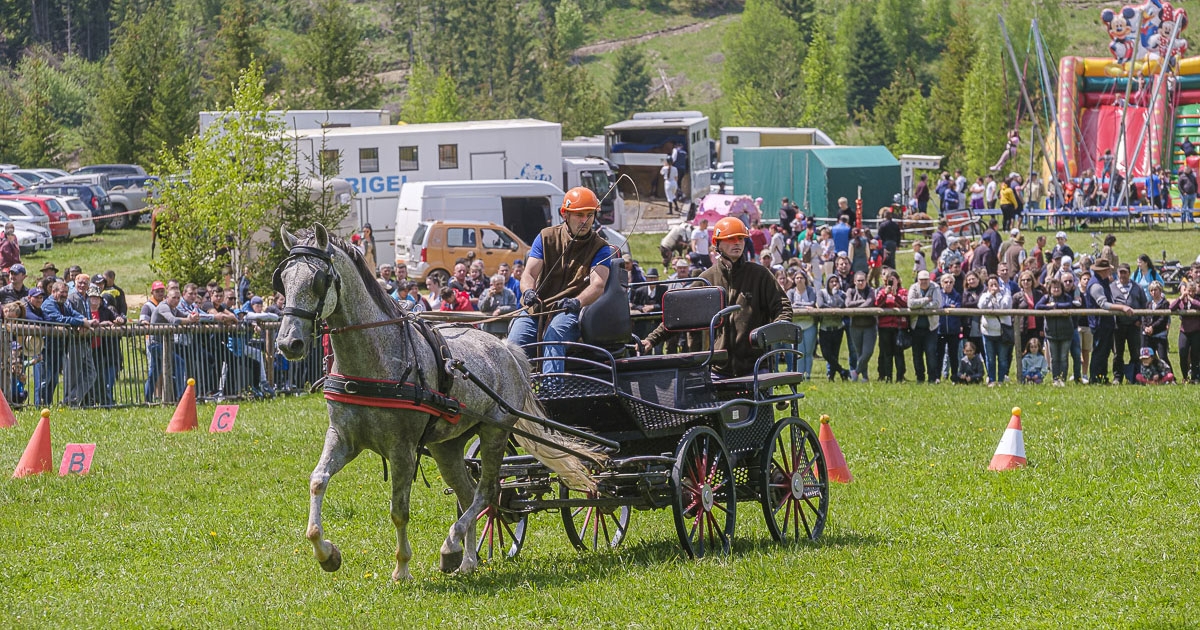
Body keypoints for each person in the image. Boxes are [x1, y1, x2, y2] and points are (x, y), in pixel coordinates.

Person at [640, 217, 792, 377]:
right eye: (731, 239)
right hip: (718, 368)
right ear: (716, 243)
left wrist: (777, 327)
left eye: (741, 238)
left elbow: (782, 306)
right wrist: (651, 340)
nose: (737, 243)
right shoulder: (707, 279)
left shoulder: (760, 275)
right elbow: (680, 316)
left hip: (756, 366)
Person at [510, 187, 615, 374]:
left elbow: (598, 285)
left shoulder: (601, 248)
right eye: (579, 215)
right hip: (537, 308)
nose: (585, 220)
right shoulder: (546, 237)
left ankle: (552, 387)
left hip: (570, 311)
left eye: (590, 215)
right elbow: (529, 274)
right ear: (565, 214)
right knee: (514, 344)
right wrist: (528, 292)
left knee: (554, 334)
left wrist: (576, 302)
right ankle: (516, 390)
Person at [1085, 259, 1135, 384]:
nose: (1110, 271)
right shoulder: (1096, 285)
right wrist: (1122, 307)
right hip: (1099, 323)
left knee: (1105, 351)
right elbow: (1103, 304)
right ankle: (1095, 378)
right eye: (1108, 269)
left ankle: (1102, 377)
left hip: (1106, 323)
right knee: (1099, 352)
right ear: (1103, 271)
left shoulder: (1103, 281)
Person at [1036, 277, 1080, 387]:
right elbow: (1038, 306)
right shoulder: (1046, 297)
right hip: (1051, 333)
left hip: (1066, 333)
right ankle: (1055, 379)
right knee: (1054, 358)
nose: (1056, 290)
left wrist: (1054, 306)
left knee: (1064, 357)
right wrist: (1049, 307)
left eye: (1058, 288)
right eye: (1054, 288)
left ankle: (1062, 379)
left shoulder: (1066, 297)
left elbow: (1069, 305)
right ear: (1050, 289)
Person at [979, 275, 1014, 386]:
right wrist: (990, 295)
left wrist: (998, 295)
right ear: (987, 286)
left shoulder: (1006, 293)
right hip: (988, 332)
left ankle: (1001, 381)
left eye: (996, 284)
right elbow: (981, 306)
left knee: (1002, 359)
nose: (994, 287)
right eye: (991, 285)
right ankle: (992, 380)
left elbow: (1004, 307)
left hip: (1002, 333)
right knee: (990, 358)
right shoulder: (984, 295)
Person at [908, 270, 941, 384]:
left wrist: (920, 306)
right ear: (918, 280)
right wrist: (926, 300)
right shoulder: (913, 288)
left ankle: (932, 378)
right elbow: (910, 304)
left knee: (931, 352)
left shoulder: (935, 287)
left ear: (929, 279)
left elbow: (937, 303)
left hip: (931, 328)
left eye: (926, 280)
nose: (923, 282)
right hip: (916, 327)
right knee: (917, 354)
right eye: (921, 280)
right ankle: (920, 378)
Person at [817, 275, 851, 381]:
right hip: (825, 328)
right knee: (826, 354)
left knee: (835, 354)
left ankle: (831, 377)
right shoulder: (821, 293)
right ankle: (842, 371)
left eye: (836, 281)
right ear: (827, 283)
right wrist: (833, 309)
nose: (834, 283)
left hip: (837, 328)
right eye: (831, 281)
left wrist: (836, 295)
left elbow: (843, 305)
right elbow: (821, 305)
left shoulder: (842, 294)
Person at [787, 271, 818, 378]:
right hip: (795, 326)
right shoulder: (791, 292)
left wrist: (797, 304)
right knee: (799, 352)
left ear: (805, 279)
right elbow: (790, 305)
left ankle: (807, 375)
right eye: (797, 278)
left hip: (809, 324)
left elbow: (812, 303)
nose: (799, 280)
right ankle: (800, 375)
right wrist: (804, 306)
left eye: (801, 278)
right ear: (794, 280)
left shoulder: (811, 291)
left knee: (808, 352)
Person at [1170, 280, 1200, 382]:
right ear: (1185, 290)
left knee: (1195, 355)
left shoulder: (1197, 299)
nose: (1190, 293)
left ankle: (1195, 377)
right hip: (1184, 331)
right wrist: (1180, 298)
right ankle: (1185, 377)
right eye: (1189, 291)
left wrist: (1192, 299)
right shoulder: (1182, 300)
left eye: (1193, 291)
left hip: (1196, 331)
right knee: (1183, 353)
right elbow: (1171, 307)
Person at [935, 274, 961, 383]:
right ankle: (937, 376)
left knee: (953, 354)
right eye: (946, 282)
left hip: (953, 330)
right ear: (941, 284)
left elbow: (958, 307)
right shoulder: (938, 294)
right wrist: (949, 306)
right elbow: (938, 306)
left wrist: (945, 307)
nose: (948, 284)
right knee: (939, 354)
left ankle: (954, 376)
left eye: (950, 282)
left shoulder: (957, 295)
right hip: (940, 329)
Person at [1144, 281, 1172, 368]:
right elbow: (1144, 318)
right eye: (1151, 290)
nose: (1153, 292)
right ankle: (1155, 374)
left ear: (1160, 290)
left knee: (1163, 357)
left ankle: (1170, 374)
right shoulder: (1148, 304)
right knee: (1150, 358)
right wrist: (1145, 328)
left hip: (1160, 335)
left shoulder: (1165, 303)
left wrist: (1152, 327)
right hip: (1149, 335)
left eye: (1155, 290)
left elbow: (1163, 319)